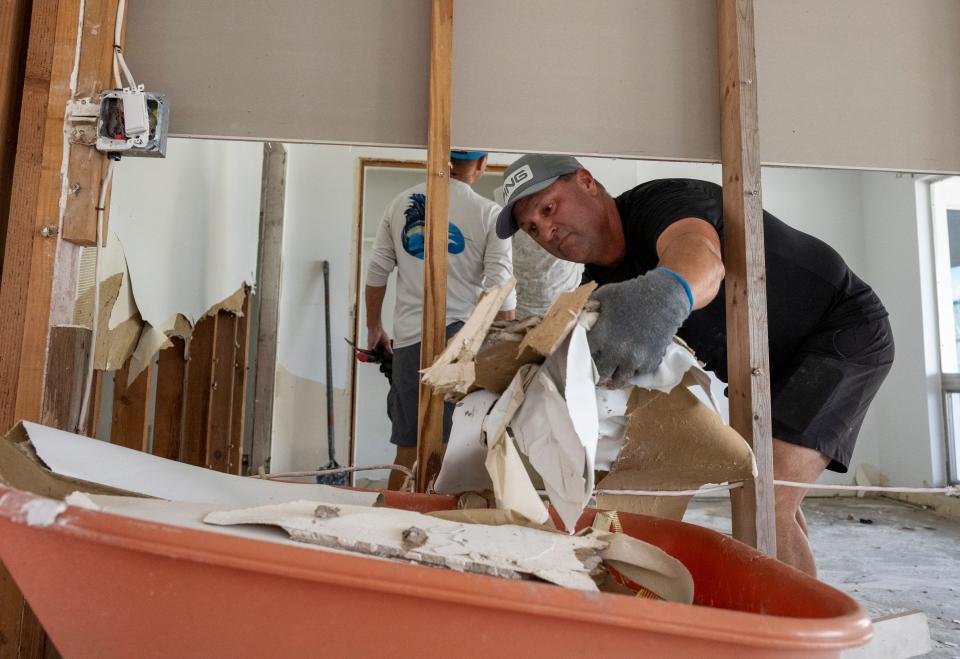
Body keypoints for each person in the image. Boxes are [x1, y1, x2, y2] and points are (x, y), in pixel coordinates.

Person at [494, 153, 894, 576]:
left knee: (761, 497)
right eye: (532, 228)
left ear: (587, 181)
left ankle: (789, 633)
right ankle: (793, 613)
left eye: (549, 208)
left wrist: (665, 293)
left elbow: (700, 259)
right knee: (768, 497)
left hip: (839, 333)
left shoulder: (665, 203)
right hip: (758, 369)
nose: (547, 231)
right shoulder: (602, 286)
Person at [366, 151, 516, 490]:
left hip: (408, 342)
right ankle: (440, 526)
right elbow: (500, 289)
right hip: (462, 344)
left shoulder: (398, 203)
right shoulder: (489, 214)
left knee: (408, 447)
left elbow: (377, 273)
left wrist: (374, 328)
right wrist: (505, 348)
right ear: (482, 163)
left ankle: (394, 518)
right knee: (454, 448)